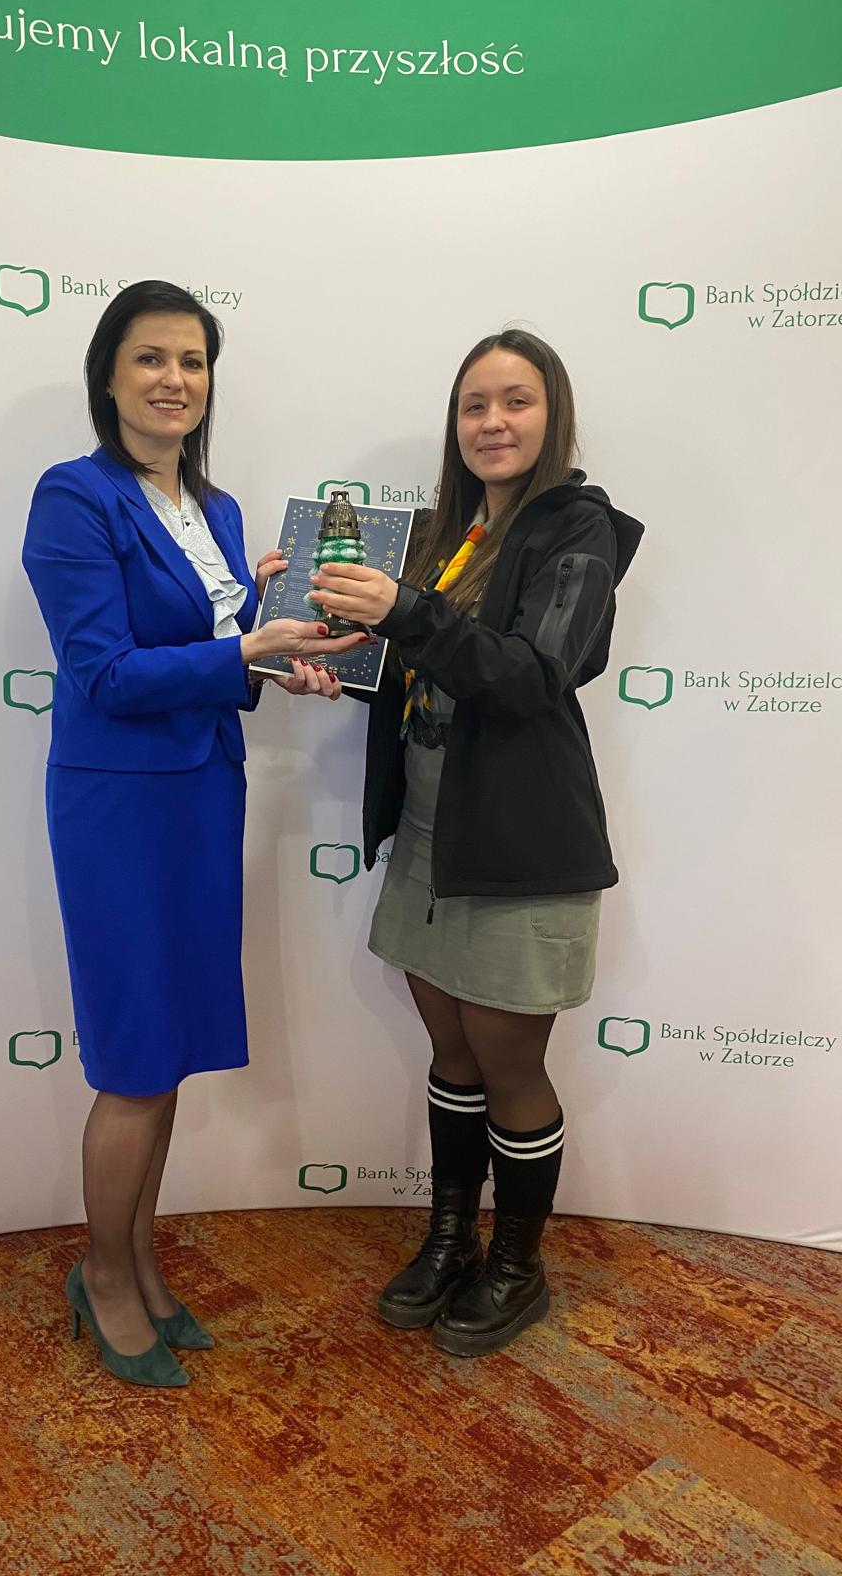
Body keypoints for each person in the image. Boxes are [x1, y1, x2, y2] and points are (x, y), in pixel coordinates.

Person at [23, 280, 360, 1387]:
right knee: (134, 1058)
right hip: (120, 806)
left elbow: (221, 652)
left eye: (193, 361)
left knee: (166, 1052)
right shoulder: (74, 497)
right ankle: (102, 1275)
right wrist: (246, 650)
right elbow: (105, 673)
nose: (174, 379)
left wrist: (283, 657)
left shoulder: (219, 511)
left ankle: (139, 1261)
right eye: (151, 358)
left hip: (204, 790)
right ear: (109, 376)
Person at [308, 330, 643, 1357]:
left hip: (517, 841)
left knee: (510, 1066)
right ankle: (452, 1237)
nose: (493, 422)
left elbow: (534, 673)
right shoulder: (445, 535)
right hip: (428, 833)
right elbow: (419, 665)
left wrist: (405, 610)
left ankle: (518, 1265)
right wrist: (328, 657)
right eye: (474, 406)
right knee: (451, 1052)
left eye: (516, 401)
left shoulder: (578, 528)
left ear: (553, 415)